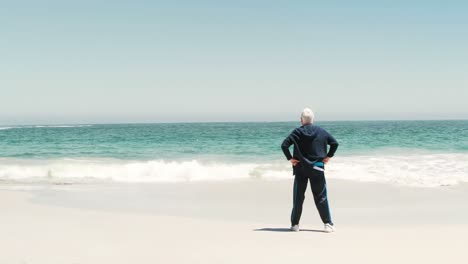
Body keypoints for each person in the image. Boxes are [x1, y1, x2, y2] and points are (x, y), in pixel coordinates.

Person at [281, 108, 339, 233]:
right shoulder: (321, 131)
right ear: (313, 120)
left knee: (298, 197)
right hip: (317, 167)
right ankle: (328, 224)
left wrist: (290, 158)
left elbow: (284, 145)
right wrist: (328, 157)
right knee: (321, 196)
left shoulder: (297, 132)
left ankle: (295, 225)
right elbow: (334, 143)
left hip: (301, 168)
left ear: (301, 120)